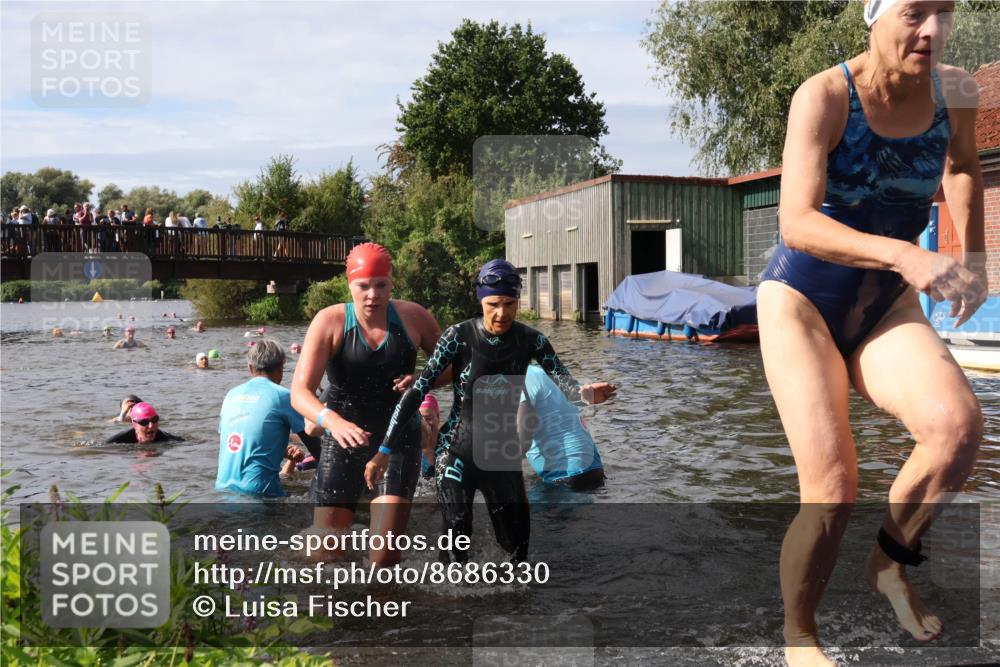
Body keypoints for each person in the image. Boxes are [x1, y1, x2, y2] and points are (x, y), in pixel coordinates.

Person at [755, 2, 985, 665]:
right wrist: (906, 255)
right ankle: (800, 635)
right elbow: (796, 220)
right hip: (802, 297)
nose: (934, 32)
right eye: (917, 12)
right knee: (832, 488)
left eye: (946, 12)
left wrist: (976, 259)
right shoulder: (825, 96)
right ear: (874, 13)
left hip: (882, 304)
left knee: (957, 430)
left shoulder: (957, 91)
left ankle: (888, 563)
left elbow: (963, 165)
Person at [368, 259, 617, 563]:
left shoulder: (531, 340)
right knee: (457, 530)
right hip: (456, 450)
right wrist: (383, 451)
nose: (502, 313)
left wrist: (587, 395)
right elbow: (416, 392)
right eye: (493, 304)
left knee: (516, 547)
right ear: (481, 300)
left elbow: (569, 388)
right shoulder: (457, 336)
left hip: (500, 454)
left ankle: (509, 607)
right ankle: (450, 601)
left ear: (518, 300)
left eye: (510, 303)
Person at [290, 242, 449, 566]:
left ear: (392, 282)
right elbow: (299, 392)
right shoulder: (330, 321)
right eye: (363, 286)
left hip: (398, 440)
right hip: (343, 440)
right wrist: (330, 420)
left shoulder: (414, 317)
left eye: (381, 285)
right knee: (326, 555)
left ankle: (385, 612)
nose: (372, 295)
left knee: (385, 556)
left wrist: (423, 379)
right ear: (349, 285)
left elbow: (454, 367)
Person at [216, 339, 322, 497]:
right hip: (260, 492)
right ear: (281, 369)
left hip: (222, 488)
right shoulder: (283, 397)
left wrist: (281, 450)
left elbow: (240, 441)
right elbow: (316, 447)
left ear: (250, 367)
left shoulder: (231, 395)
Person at [519, 365, 605, 490]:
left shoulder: (521, 380)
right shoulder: (540, 371)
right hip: (594, 469)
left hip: (566, 478)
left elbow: (522, 442)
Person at [106, 402, 184, 444]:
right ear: (135, 425)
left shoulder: (169, 440)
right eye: (144, 422)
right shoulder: (117, 441)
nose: (151, 425)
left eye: (154, 419)